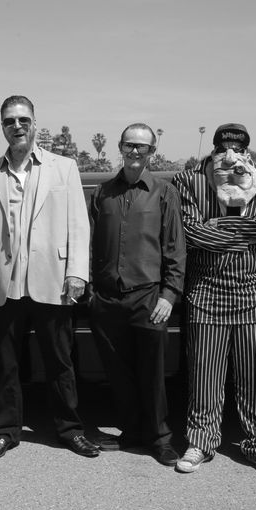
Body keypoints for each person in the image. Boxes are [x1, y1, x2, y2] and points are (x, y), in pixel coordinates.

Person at [0, 95, 98, 461]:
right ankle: (5, 432)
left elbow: (78, 225)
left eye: (23, 119)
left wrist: (77, 273)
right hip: (2, 285)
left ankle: (70, 430)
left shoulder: (64, 167)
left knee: (60, 362)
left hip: (52, 281)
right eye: (9, 121)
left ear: (35, 123)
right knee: (6, 364)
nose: (17, 126)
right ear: (2, 127)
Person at [171, 123, 256, 477]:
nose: (229, 154)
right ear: (214, 148)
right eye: (223, 147)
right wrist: (248, 233)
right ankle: (200, 442)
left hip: (253, 288)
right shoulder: (189, 180)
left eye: (237, 147)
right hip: (206, 287)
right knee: (204, 374)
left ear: (247, 151)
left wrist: (220, 227)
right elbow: (191, 231)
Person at [88, 123, 186, 466]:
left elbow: (175, 247)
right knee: (119, 373)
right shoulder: (102, 193)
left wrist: (169, 294)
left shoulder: (164, 192)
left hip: (149, 298)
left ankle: (160, 439)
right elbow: (90, 244)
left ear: (151, 152)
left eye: (141, 147)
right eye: (129, 145)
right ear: (120, 147)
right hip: (107, 299)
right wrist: (91, 290)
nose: (134, 151)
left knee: (151, 374)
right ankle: (131, 432)